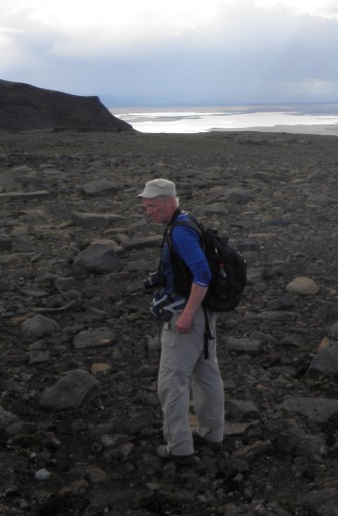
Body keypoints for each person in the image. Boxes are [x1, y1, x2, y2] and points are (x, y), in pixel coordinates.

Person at [139, 177, 225, 465]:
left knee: (171, 382)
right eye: (146, 207)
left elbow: (202, 273)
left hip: (187, 315)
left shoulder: (180, 232)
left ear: (168, 202)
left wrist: (187, 314)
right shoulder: (188, 221)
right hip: (204, 314)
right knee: (206, 374)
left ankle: (179, 449)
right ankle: (212, 435)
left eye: (153, 206)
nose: (149, 212)